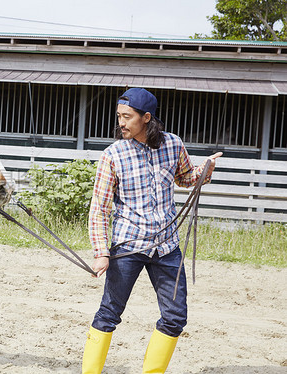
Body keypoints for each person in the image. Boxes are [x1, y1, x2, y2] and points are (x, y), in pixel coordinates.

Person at [82, 87, 222, 374]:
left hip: (168, 247)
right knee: (109, 314)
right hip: (128, 246)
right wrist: (101, 252)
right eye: (119, 116)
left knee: (175, 318)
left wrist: (205, 170)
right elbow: (100, 207)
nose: (121, 122)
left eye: (127, 117)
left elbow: (186, 178)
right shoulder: (113, 155)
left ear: (146, 117)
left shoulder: (173, 145)